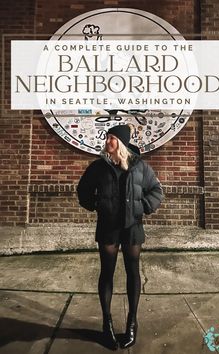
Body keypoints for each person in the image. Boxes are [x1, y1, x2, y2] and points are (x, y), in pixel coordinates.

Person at [77, 124, 164, 350]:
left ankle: (132, 323)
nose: (107, 141)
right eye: (107, 137)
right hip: (108, 228)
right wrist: (96, 205)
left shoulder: (140, 167)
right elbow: (82, 191)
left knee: (132, 271)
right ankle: (107, 325)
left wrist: (142, 207)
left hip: (132, 227)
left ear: (122, 143)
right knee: (107, 272)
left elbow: (156, 190)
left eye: (112, 138)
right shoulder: (98, 167)